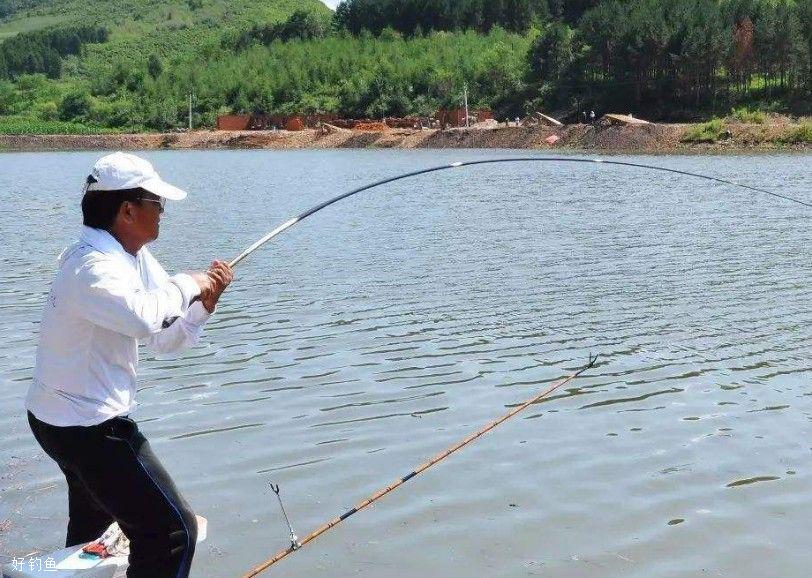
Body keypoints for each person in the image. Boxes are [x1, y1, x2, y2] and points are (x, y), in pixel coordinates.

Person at [25, 152, 234, 578]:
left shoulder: (131, 256)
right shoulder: (91, 267)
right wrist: (189, 282)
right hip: (86, 426)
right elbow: (144, 315)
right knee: (173, 532)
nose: (163, 213)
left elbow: (160, 336)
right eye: (158, 204)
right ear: (127, 210)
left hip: (67, 419)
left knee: (93, 535)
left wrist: (200, 309)